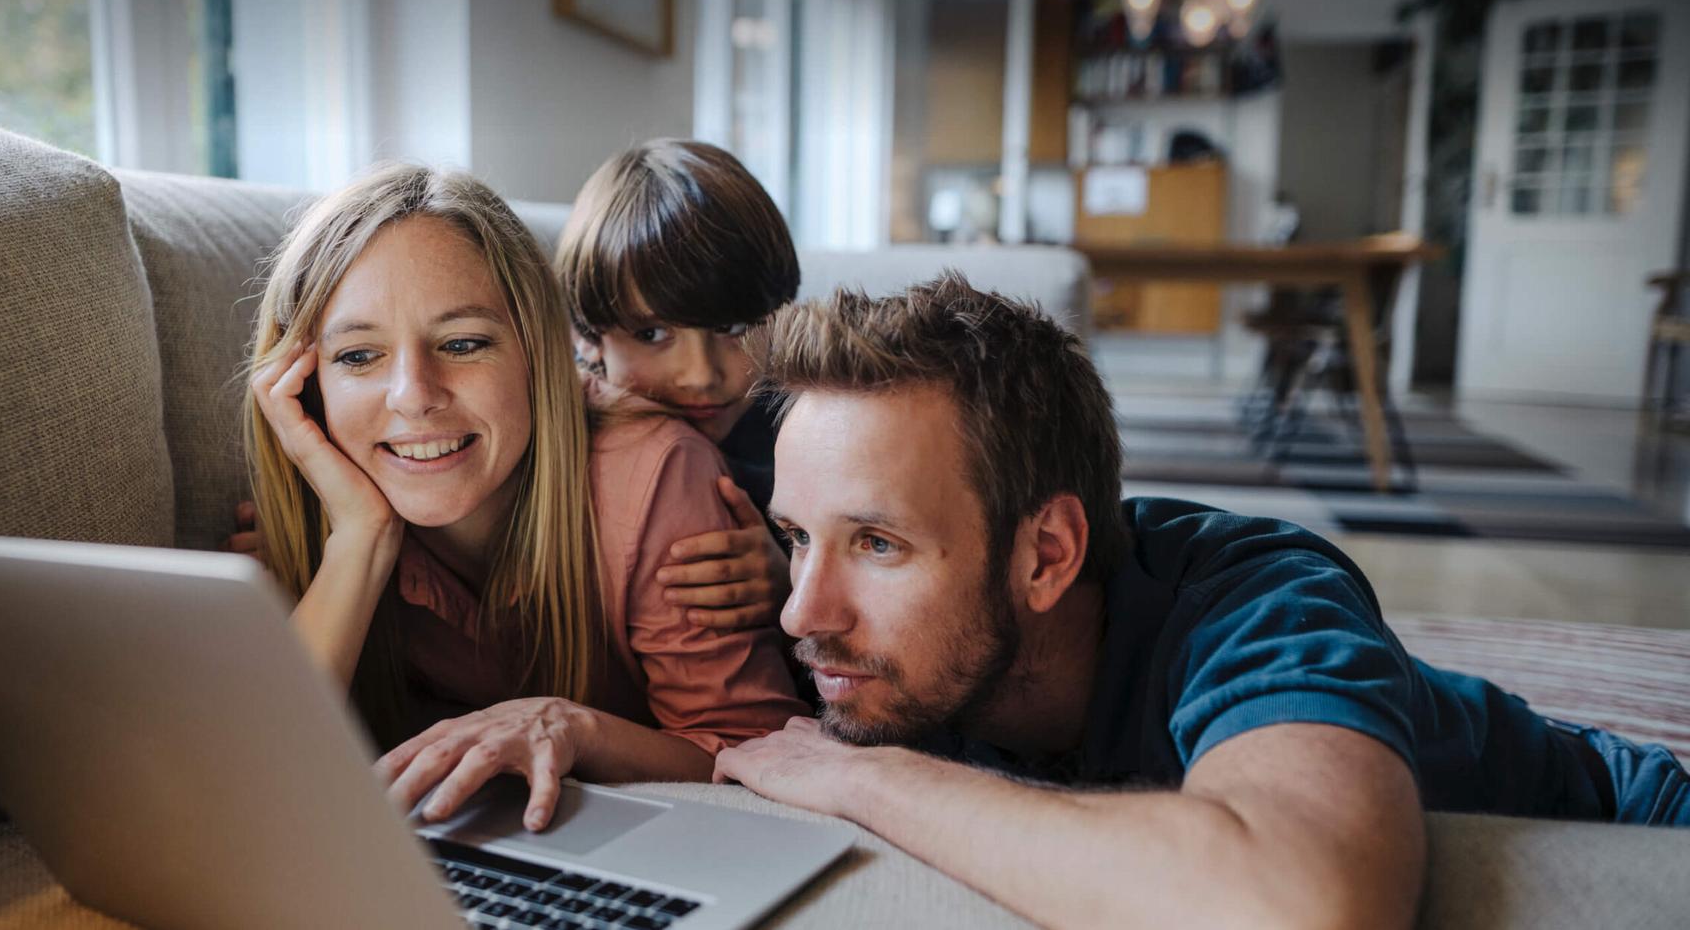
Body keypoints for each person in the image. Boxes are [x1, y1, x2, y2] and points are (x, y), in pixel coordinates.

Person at [714, 273, 1689, 929]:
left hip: (1625, 834)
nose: (803, 612)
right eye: (796, 537)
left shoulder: (1255, 596)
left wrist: (860, 778)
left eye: (876, 543)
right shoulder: (890, 644)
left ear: (1047, 555)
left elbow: (1300, 900)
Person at [244, 165, 804, 831]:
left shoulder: (661, 472)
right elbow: (247, 787)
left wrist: (575, 729)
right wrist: (359, 541)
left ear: (541, 352)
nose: (413, 396)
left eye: (462, 344)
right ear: (307, 385)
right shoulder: (327, 494)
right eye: (358, 357)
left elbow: (760, 762)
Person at [556, 139, 799, 633]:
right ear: (587, 337)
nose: (700, 374)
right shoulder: (561, 448)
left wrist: (793, 586)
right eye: (651, 334)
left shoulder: (807, 435)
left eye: (732, 328)